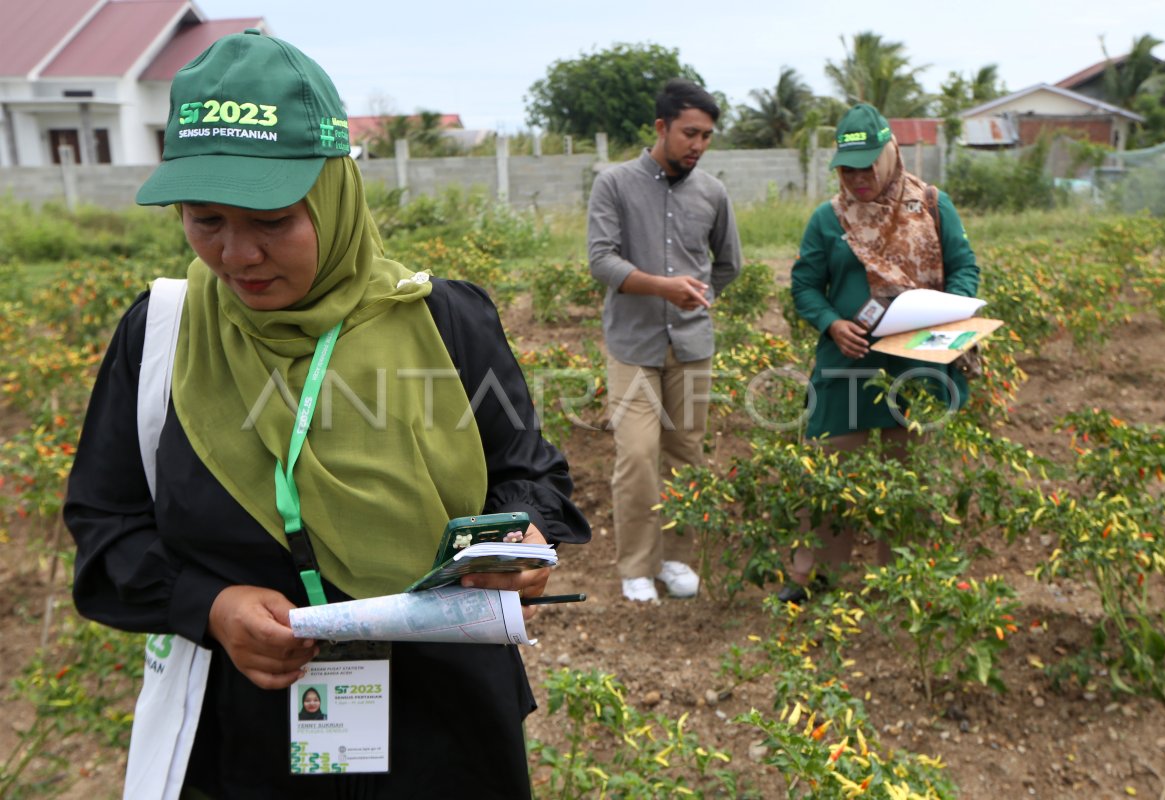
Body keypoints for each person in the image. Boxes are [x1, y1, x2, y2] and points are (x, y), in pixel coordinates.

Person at [63, 30, 589, 799]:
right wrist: (209, 606)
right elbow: (104, 524)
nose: (237, 255)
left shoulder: (443, 322)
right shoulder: (163, 335)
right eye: (206, 219)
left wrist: (521, 540)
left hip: (443, 729)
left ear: (335, 195)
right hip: (246, 735)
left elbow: (530, 475)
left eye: (271, 221)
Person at [784, 102, 979, 601]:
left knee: (908, 479)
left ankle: (902, 584)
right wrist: (831, 323)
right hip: (848, 364)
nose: (859, 177)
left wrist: (944, 310)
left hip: (917, 364)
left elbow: (964, 268)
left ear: (891, 155)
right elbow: (805, 286)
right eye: (848, 168)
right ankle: (815, 579)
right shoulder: (828, 219)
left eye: (868, 164)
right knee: (830, 475)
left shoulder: (932, 205)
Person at [587, 79, 742, 603]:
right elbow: (601, 260)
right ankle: (636, 564)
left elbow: (727, 264)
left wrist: (698, 298)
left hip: (692, 347)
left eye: (706, 136)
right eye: (689, 133)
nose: (697, 145)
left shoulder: (712, 193)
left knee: (686, 456)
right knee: (636, 455)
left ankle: (676, 558)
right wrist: (663, 289)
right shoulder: (614, 184)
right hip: (633, 345)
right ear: (661, 127)